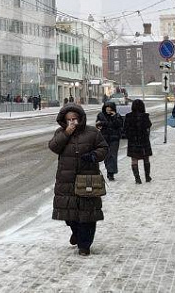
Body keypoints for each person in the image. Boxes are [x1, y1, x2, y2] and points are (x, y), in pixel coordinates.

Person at [48, 103, 108, 256]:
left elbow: (103, 148)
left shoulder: (92, 133)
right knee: (69, 214)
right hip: (66, 179)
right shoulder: (60, 132)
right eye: (69, 119)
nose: (72, 122)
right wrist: (66, 134)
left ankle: (84, 245)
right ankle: (76, 233)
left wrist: (94, 156)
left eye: (75, 119)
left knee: (88, 214)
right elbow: (54, 147)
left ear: (81, 119)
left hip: (87, 178)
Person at [124, 99, 152, 184]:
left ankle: (137, 178)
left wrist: (130, 136)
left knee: (134, 159)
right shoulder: (145, 116)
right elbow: (149, 125)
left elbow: (125, 128)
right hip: (144, 140)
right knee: (146, 158)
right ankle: (147, 177)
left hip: (133, 141)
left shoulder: (128, 116)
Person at [95, 102, 124, 181]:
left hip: (114, 139)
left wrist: (113, 117)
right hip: (104, 139)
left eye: (110, 107)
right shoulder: (101, 115)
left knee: (112, 156)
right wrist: (100, 125)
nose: (108, 109)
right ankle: (109, 170)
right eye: (106, 107)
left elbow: (119, 125)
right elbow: (98, 124)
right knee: (106, 156)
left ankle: (110, 173)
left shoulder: (117, 116)